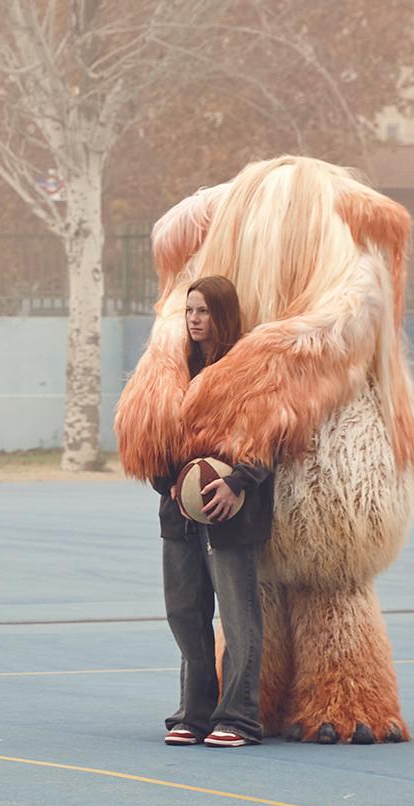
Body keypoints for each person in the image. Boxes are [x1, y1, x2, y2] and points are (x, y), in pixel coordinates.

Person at [152, 275, 274, 748]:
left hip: (233, 515)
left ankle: (239, 718)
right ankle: (194, 713)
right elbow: (154, 436)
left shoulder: (250, 370)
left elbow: (270, 438)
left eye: (203, 311)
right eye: (189, 311)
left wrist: (238, 482)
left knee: (239, 618)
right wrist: (172, 486)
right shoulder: (173, 369)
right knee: (185, 612)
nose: (194, 320)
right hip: (180, 515)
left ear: (222, 314)